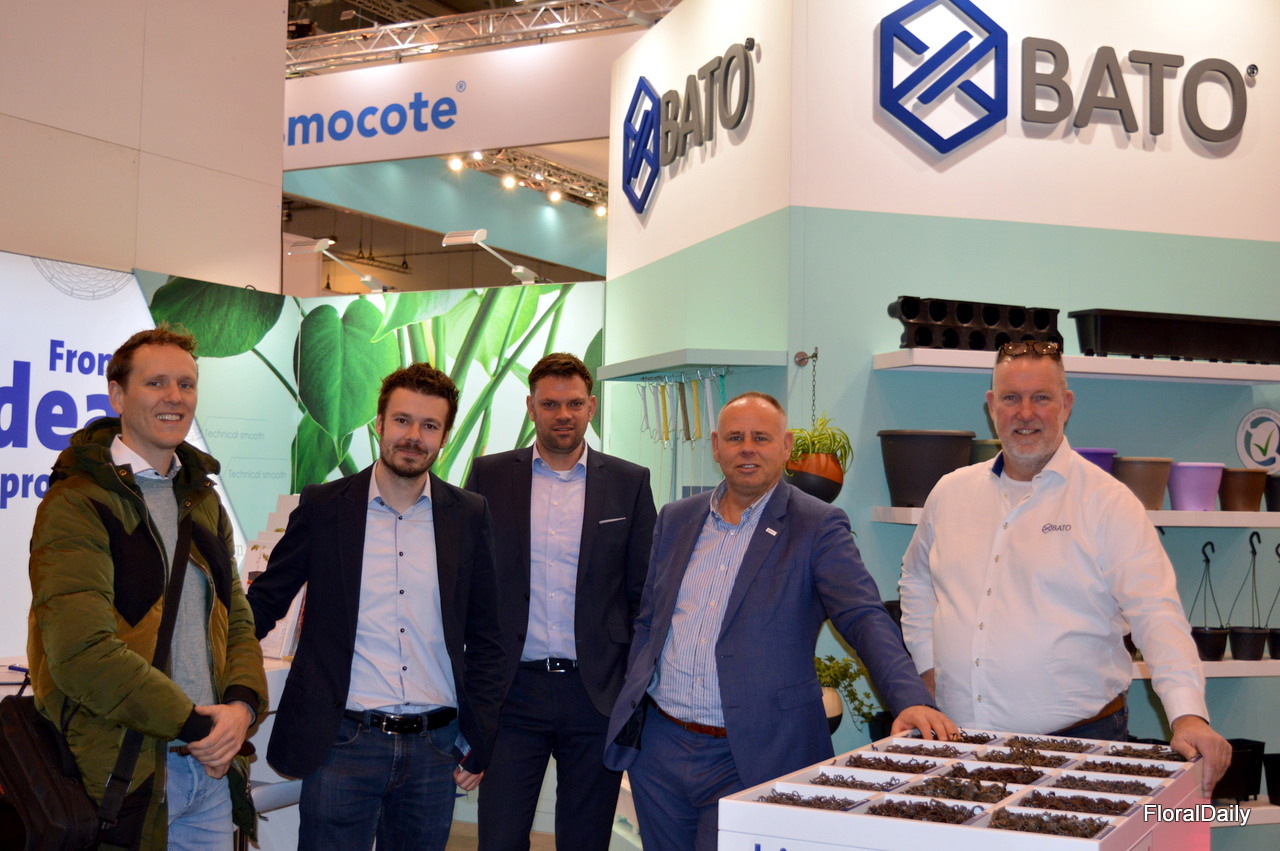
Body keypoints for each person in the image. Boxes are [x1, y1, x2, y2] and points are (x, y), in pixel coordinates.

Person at [605, 391, 955, 851]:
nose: (747, 448)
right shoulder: (677, 518)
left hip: (753, 753)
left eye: (761, 437)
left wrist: (909, 697)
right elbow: (650, 620)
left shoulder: (817, 524)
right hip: (660, 749)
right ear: (716, 446)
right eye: (735, 437)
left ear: (786, 446)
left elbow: (863, 616)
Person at [898, 340, 1232, 795]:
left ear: (1067, 404)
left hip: (1082, 746)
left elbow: (1156, 613)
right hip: (961, 743)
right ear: (992, 406)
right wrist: (926, 663)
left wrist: (1187, 714)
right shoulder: (950, 493)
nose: (1025, 413)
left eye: (1041, 397)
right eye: (1011, 398)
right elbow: (916, 579)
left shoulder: (1107, 503)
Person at [246, 363, 505, 850]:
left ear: (444, 436)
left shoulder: (469, 514)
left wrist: (482, 735)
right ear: (380, 423)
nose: (414, 437)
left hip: (435, 748)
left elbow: (490, 636)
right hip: (342, 741)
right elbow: (265, 600)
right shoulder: (325, 506)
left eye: (429, 426)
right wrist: (217, 665)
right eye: (402, 420)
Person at [26, 326, 267, 850]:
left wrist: (242, 707)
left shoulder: (203, 499)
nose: (174, 397)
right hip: (128, 771)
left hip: (210, 773)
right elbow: (81, 653)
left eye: (186, 384)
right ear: (117, 395)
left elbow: (237, 620)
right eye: (155, 383)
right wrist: (196, 726)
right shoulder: (78, 502)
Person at [465, 353, 656, 851]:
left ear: (591, 406)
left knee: (584, 841)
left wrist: (633, 686)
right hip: (513, 694)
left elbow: (644, 595)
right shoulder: (489, 476)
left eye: (573, 404)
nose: (563, 415)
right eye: (550, 404)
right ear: (531, 407)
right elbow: (467, 585)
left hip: (595, 695)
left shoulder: (630, 482)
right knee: (499, 840)